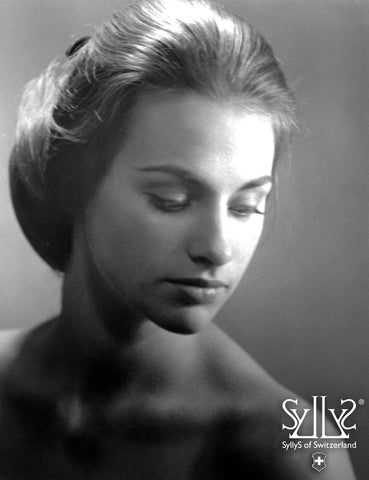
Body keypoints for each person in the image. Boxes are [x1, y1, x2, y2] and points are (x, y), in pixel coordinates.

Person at [1, 0, 356, 478]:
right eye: (171, 198)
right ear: (74, 182)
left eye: (247, 206)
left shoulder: (297, 453)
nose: (218, 248)